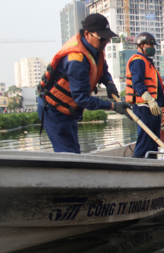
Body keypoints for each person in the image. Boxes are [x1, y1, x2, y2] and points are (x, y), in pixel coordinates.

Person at [37, 13, 130, 153]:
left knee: (73, 150)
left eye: (108, 39)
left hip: (69, 111)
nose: (106, 42)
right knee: (68, 155)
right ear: (88, 34)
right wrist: (113, 106)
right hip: (54, 109)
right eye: (103, 38)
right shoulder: (77, 60)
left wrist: (109, 83)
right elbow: (81, 99)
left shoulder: (96, 49)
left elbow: (102, 70)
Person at [125, 32, 164, 158]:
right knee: (145, 138)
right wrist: (149, 99)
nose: (152, 48)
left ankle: (152, 162)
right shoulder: (138, 61)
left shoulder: (148, 62)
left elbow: (157, 87)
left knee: (154, 140)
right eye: (150, 45)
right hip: (144, 106)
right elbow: (137, 83)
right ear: (142, 45)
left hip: (153, 108)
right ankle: (138, 162)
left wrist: (160, 106)